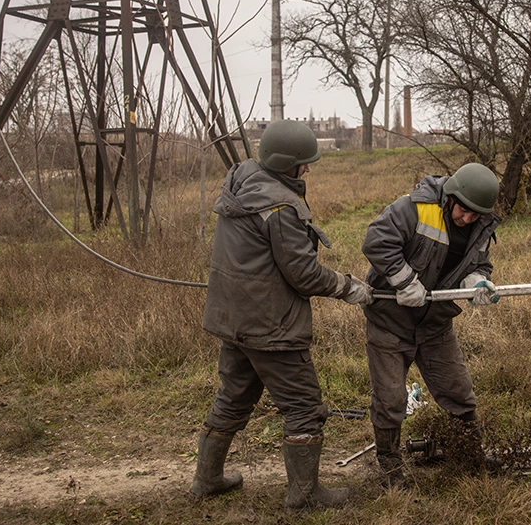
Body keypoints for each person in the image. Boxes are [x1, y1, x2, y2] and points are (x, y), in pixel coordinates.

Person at [189, 119, 373, 511]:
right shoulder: (280, 206)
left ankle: (206, 480)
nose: (307, 169)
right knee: (305, 407)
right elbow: (304, 274)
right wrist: (347, 286)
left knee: (233, 397)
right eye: (302, 163)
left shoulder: (243, 181)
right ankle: (305, 497)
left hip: (234, 318)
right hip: (271, 325)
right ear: (284, 163)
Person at [360, 163, 503, 488]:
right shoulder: (413, 208)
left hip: (436, 323)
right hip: (389, 320)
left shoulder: (481, 224)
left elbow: (480, 261)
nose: (466, 219)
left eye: (474, 216)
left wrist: (478, 281)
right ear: (451, 197)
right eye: (463, 211)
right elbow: (376, 242)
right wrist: (405, 281)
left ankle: (470, 457)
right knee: (391, 400)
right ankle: (390, 470)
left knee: (459, 392)